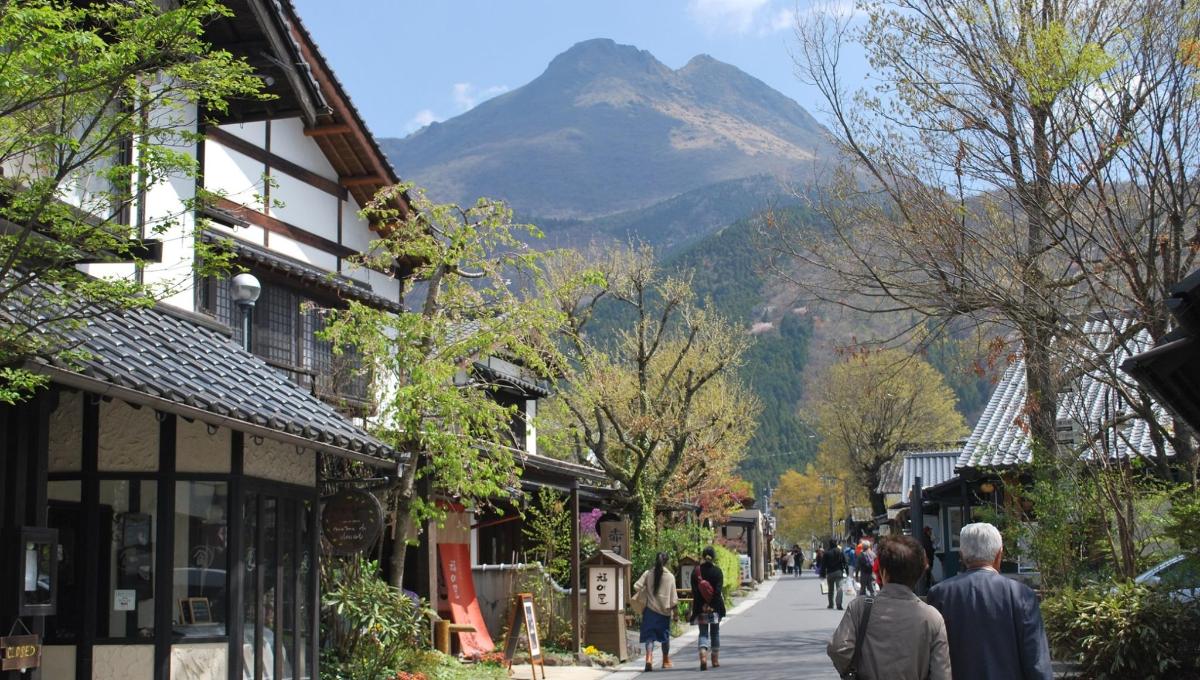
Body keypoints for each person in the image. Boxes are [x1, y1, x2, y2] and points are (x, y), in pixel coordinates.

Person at [927, 523, 1053, 680]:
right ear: (999, 554)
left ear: (961, 555)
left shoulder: (940, 594)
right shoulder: (1021, 594)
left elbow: (932, 657)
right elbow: (1036, 660)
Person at [827, 535, 952, 680]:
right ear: (919, 574)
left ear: (884, 572)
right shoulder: (932, 617)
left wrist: (852, 670)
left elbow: (838, 649)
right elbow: (941, 673)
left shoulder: (860, 608)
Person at [634, 552, 678, 671]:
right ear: (666, 562)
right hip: (664, 613)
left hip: (650, 611)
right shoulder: (670, 577)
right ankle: (665, 660)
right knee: (665, 637)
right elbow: (674, 599)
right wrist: (676, 615)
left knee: (650, 637)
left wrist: (645, 589)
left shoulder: (648, 574)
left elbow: (636, 586)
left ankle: (649, 658)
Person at [690, 546, 726, 670]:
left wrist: (703, 605)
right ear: (714, 557)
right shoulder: (718, 571)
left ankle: (703, 655)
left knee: (703, 633)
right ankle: (715, 659)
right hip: (715, 608)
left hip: (701, 608)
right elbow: (718, 592)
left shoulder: (696, 571)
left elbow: (694, 592)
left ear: (703, 556)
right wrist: (712, 605)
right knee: (715, 632)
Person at [819, 539, 848, 609]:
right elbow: (845, 562)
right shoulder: (840, 551)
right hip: (839, 572)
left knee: (830, 590)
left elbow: (823, 565)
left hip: (830, 573)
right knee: (839, 588)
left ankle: (831, 604)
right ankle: (839, 604)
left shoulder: (827, 553)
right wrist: (847, 572)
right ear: (836, 543)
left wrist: (822, 574)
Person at [919, 526, 937, 593]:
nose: (931, 532)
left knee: (928, 575)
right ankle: (926, 589)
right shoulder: (926, 540)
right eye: (930, 531)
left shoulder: (926, 539)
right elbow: (929, 549)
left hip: (929, 559)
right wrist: (933, 548)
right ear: (927, 532)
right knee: (927, 575)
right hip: (929, 560)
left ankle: (928, 586)